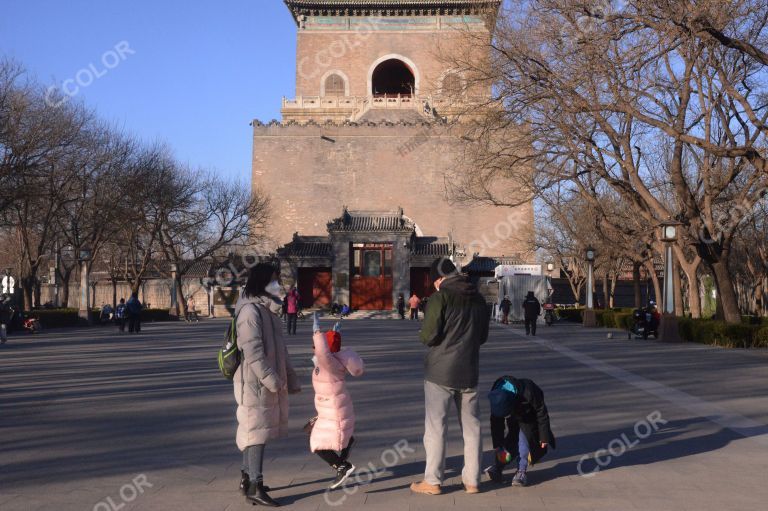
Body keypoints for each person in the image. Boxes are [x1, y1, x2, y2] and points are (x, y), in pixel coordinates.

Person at [411, 257, 490, 496]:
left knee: (436, 427)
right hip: (469, 370)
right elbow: (483, 337)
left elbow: (429, 336)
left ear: (439, 278)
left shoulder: (440, 297)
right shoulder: (478, 299)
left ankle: (433, 481)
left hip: (440, 372)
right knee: (472, 427)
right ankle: (473, 480)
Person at [233, 263, 301, 507]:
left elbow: (281, 350)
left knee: (253, 430)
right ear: (262, 281)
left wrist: (290, 377)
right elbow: (253, 352)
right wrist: (272, 379)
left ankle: (246, 477)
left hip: (265, 381)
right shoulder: (250, 312)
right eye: (273, 280)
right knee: (256, 432)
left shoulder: (267, 311)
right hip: (254, 382)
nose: (277, 284)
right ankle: (255, 484)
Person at [310, 314, 364, 489]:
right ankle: (348, 444)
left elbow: (323, 352)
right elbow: (324, 353)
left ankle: (343, 466)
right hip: (331, 408)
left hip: (334, 409)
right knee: (322, 438)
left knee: (317, 444)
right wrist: (334, 334)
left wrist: (317, 332)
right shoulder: (333, 361)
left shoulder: (329, 363)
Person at [485, 375, 556, 487]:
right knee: (508, 444)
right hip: (513, 415)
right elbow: (496, 424)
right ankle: (498, 467)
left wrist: (544, 436)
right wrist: (497, 444)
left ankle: (521, 472)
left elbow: (541, 412)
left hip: (529, 418)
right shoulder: (496, 395)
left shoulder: (529, 392)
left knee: (524, 443)